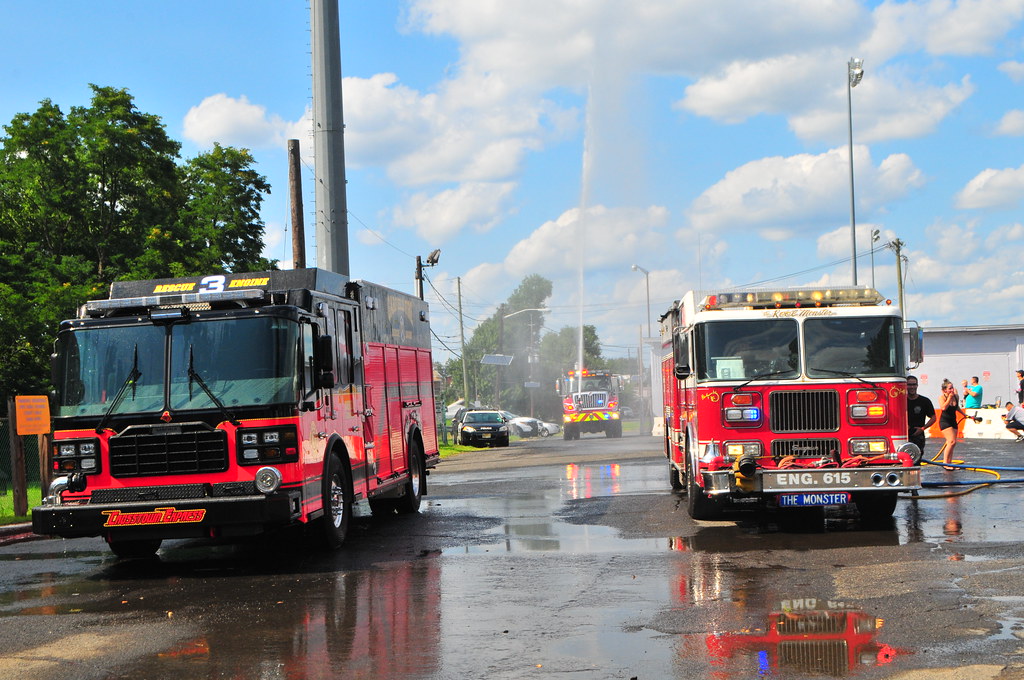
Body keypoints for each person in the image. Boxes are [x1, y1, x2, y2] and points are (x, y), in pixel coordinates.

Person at [938, 378, 969, 470]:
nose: (952, 390)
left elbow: (957, 407)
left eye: (952, 388)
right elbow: (943, 408)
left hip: (953, 421)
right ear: (945, 390)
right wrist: (949, 398)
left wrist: (964, 415)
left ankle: (950, 463)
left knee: (952, 443)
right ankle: (945, 463)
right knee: (951, 441)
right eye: (950, 388)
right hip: (945, 421)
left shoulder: (956, 396)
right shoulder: (942, 397)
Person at [906, 375, 935, 456]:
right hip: (904, 435)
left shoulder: (924, 401)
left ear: (917, 385)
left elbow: (933, 418)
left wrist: (923, 428)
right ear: (905, 385)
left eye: (914, 384)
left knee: (917, 457)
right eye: (909, 385)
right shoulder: (901, 401)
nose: (912, 387)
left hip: (918, 435)